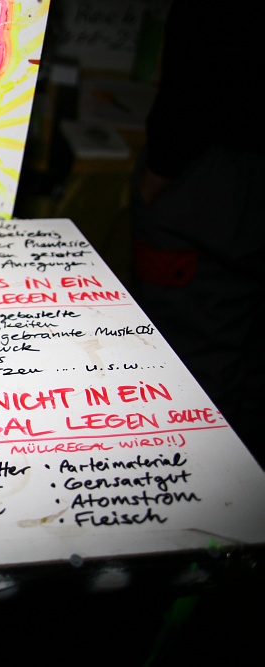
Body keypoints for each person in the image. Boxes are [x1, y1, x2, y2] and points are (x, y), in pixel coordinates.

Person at [132, 0, 265, 462]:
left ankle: (196, 473)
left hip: (213, 179)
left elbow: (197, 68)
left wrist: (160, 172)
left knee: (186, 356)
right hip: (225, 173)